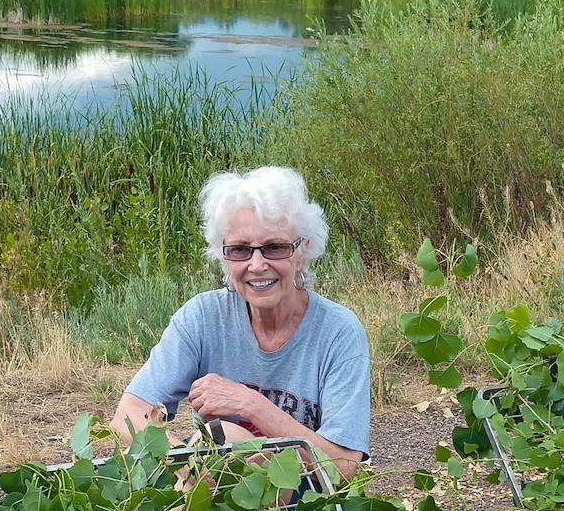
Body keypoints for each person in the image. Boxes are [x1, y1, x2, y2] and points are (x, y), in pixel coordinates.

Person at [110, 167, 371, 478]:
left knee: (235, 444)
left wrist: (251, 404)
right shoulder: (203, 317)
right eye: (240, 250)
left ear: (303, 251)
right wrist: (185, 461)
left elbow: (342, 466)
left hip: (306, 507)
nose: (257, 265)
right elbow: (127, 415)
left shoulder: (338, 331)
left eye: (275, 247)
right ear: (224, 256)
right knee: (189, 452)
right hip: (211, 488)